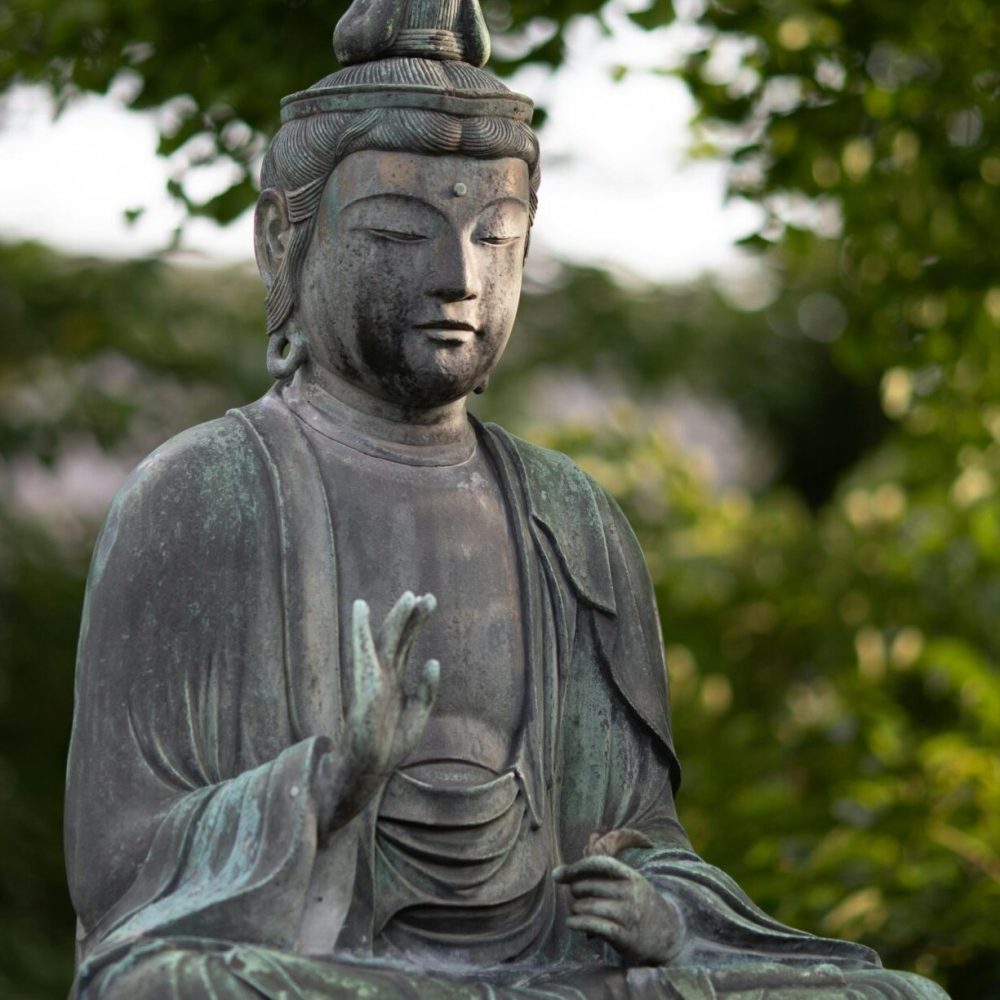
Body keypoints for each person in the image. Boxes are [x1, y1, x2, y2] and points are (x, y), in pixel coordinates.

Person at [64, 2, 948, 997]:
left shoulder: (568, 517)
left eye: (496, 236)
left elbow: (636, 836)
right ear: (282, 242)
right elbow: (118, 873)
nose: (457, 279)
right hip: (326, 972)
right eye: (399, 232)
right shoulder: (197, 498)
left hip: (554, 970)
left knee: (892, 997)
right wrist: (332, 775)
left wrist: (664, 914)